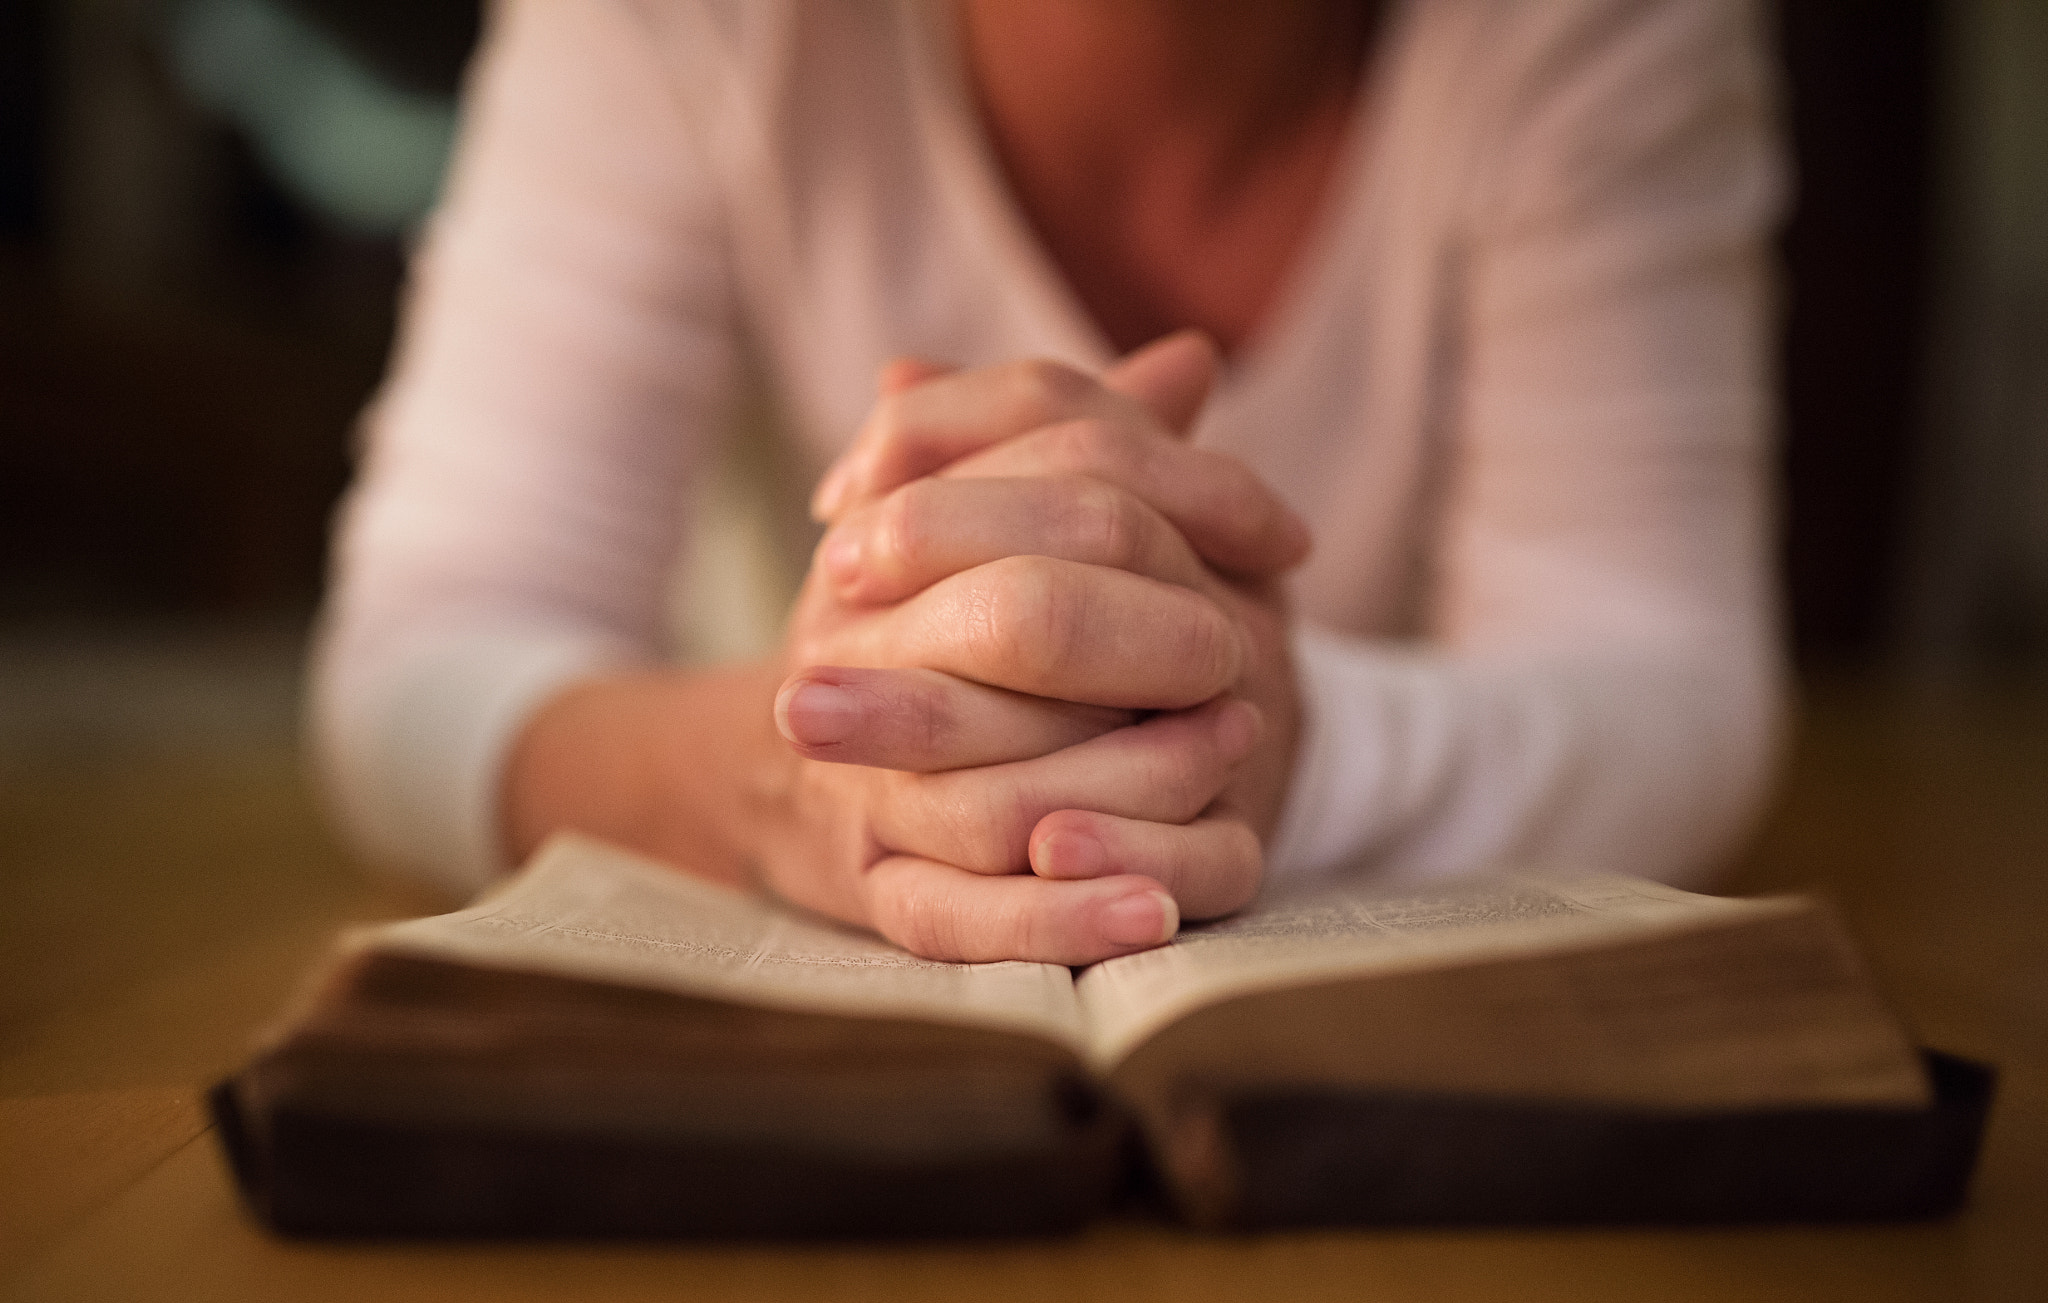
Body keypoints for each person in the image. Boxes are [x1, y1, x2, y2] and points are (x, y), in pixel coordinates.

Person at [311, 0, 1790, 966]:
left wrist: (1272, 737)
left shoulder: (1595, 32)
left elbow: (1669, 681)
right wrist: (804, 777)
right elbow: (418, 658)